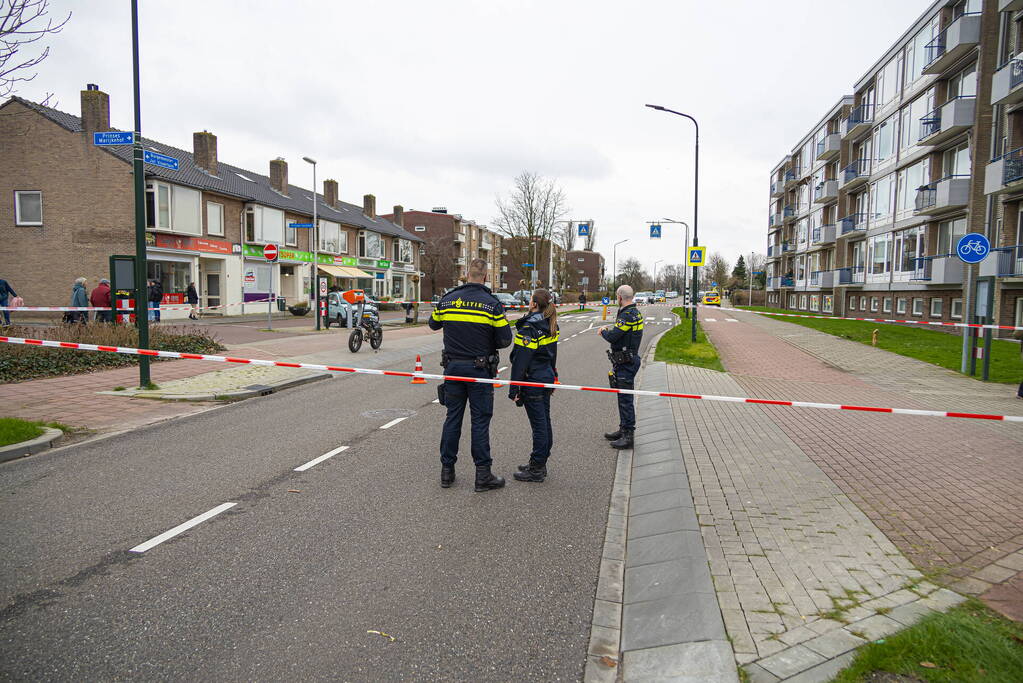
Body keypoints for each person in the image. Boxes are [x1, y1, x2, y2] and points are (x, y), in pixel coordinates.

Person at [429, 257, 513, 492]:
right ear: (485, 276)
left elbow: (433, 324)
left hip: (453, 369)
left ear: (466, 274)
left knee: (452, 418)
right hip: (479, 371)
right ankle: (482, 476)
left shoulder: (447, 300)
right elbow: (505, 340)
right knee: (480, 422)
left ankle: (447, 472)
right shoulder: (491, 304)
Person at [509, 289, 559, 482]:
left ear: (534, 304)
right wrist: (553, 375)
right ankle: (540, 461)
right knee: (544, 422)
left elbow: (520, 361)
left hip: (533, 381)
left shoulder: (529, 328)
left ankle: (537, 468)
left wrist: (514, 388)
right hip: (545, 377)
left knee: (539, 425)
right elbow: (552, 355)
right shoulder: (550, 323)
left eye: (530, 300)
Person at [598, 284, 644, 449]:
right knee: (622, 397)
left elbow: (614, 336)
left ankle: (628, 436)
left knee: (625, 400)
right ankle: (623, 429)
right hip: (626, 360)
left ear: (619, 297)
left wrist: (603, 331)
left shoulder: (627, 316)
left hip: (626, 362)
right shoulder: (635, 312)